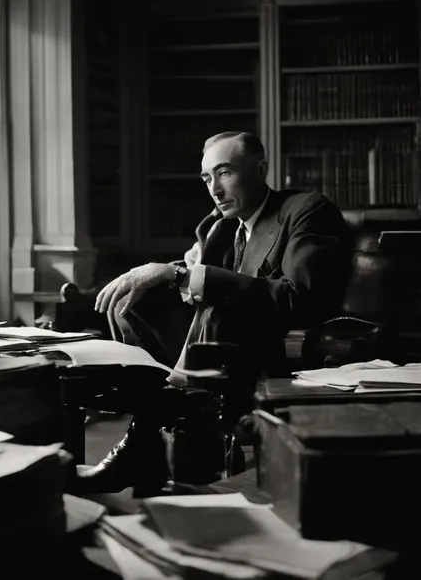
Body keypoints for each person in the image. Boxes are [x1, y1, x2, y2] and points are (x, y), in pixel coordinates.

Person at [73, 130, 350, 494]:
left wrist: (188, 275)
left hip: (273, 351)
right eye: (207, 178)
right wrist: (169, 273)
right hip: (216, 354)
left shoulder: (305, 210)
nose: (214, 190)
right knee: (145, 294)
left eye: (225, 173)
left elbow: (301, 298)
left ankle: (153, 429)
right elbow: (198, 277)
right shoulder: (220, 227)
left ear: (261, 169)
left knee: (212, 302)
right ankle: (152, 427)